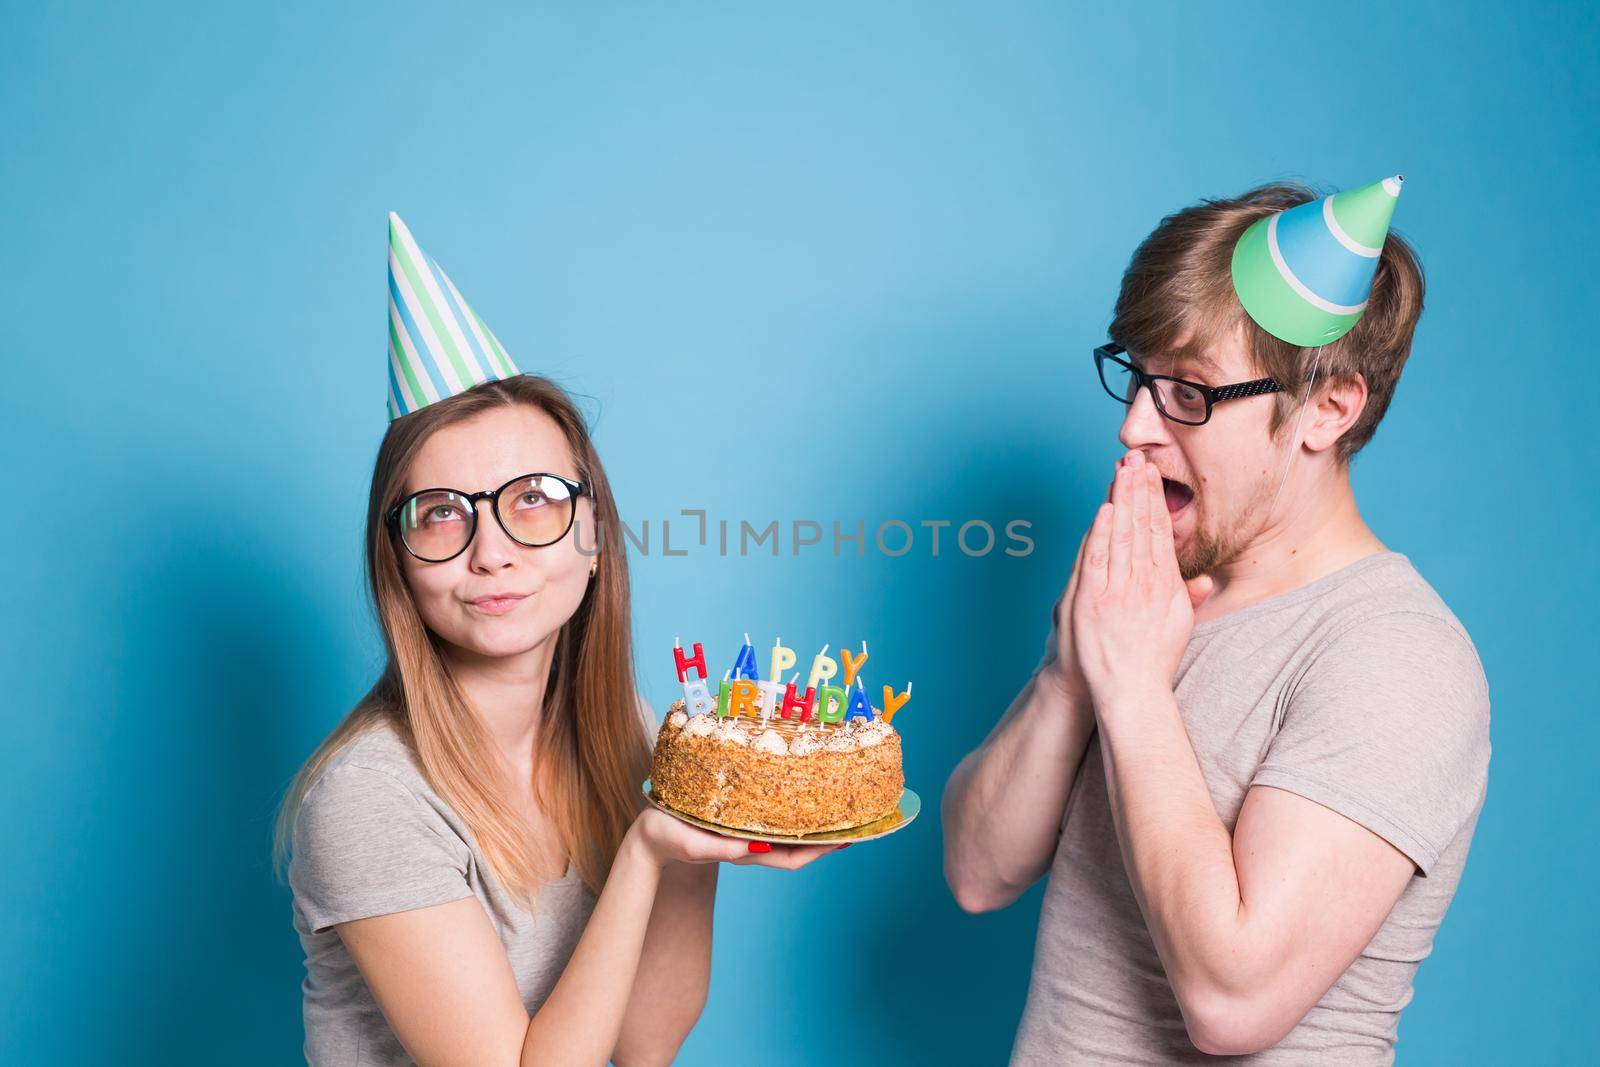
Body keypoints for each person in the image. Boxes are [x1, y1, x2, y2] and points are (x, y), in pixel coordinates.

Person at [941, 177, 1490, 1064]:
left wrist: (1129, 684)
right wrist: (1069, 671)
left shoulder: (1398, 657)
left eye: (1190, 392)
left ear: (1327, 408)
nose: (1133, 429)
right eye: (1137, 376)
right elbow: (976, 872)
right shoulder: (1146, 600)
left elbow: (1233, 1002)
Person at [275, 214, 838, 1066]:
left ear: (595, 535)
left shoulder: (624, 732)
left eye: (533, 496)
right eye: (441, 513)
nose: (491, 548)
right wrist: (651, 846)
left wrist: (697, 829)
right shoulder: (370, 801)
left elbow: (648, 1042)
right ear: (399, 562)